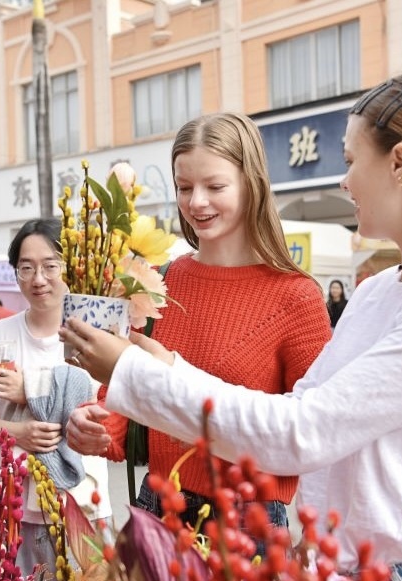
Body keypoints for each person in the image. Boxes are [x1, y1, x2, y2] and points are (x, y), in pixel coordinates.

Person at [61, 72, 402, 579]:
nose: (344, 181)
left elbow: (302, 431)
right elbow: (300, 410)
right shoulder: (378, 290)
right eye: (185, 187)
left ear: (399, 163)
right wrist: (162, 368)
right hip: (324, 556)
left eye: (351, 161)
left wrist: (137, 373)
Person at [81, 113, 332, 545]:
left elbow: (317, 434)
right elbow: (129, 391)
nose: (197, 202)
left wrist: (314, 540)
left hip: (246, 522)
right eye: (184, 187)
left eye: (215, 186)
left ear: (252, 184)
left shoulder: (296, 297)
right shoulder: (160, 279)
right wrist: (96, 425)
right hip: (158, 506)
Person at [0, 218, 112, 576]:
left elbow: (106, 405)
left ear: (70, 267)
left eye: (50, 266)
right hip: (18, 503)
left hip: (85, 497)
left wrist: (29, 389)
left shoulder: (93, 334)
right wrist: (18, 433)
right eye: (26, 268)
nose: (38, 279)